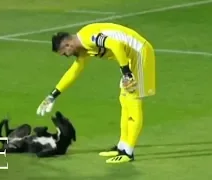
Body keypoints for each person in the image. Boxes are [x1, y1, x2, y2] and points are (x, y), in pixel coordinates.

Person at [36, 22, 156, 163]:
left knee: (133, 100)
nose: (67, 56)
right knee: (124, 100)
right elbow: (74, 71)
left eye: (64, 53)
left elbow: (115, 45)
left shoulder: (88, 38)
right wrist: (53, 95)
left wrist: (126, 73)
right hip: (131, 58)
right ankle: (122, 147)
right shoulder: (85, 48)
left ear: (68, 45)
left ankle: (128, 152)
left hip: (140, 53)